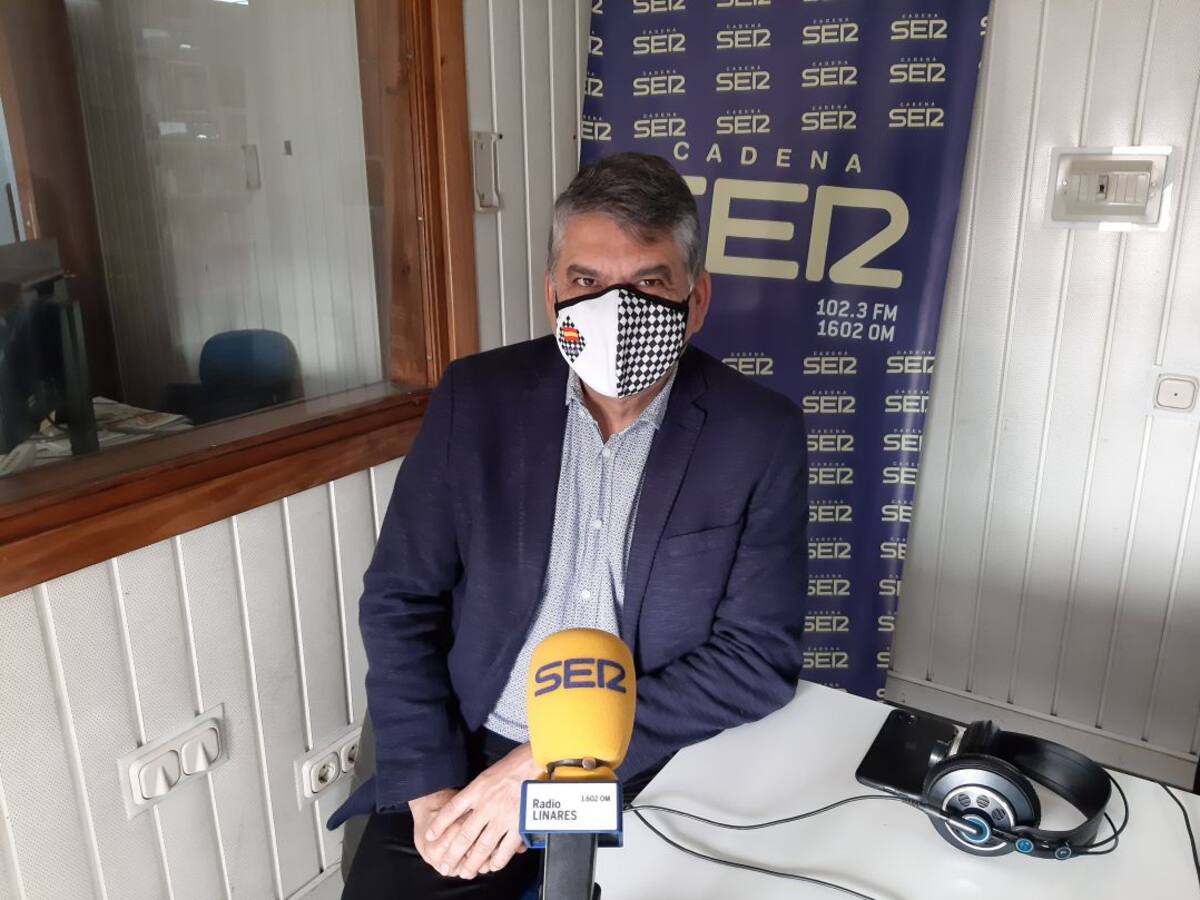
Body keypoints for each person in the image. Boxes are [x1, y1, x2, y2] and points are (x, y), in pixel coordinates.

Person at [332, 152, 808, 899]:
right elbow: (400, 598)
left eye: (648, 283)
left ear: (697, 299)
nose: (615, 309)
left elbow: (756, 656)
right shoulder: (475, 400)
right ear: (552, 291)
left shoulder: (759, 433)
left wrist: (544, 765)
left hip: (648, 761)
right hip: (471, 748)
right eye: (586, 281)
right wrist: (429, 785)